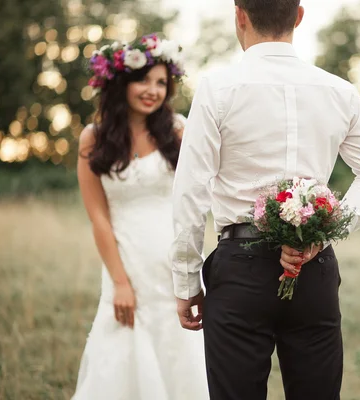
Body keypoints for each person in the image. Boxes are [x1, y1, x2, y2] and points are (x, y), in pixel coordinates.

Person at [171, 1, 360, 399]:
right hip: (314, 271)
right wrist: (320, 232)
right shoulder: (339, 91)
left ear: (239, 16)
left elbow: (190, 192)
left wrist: (187, 281)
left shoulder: (217, 88)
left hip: (239, 270)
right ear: (299, 15)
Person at [72, 33, 208, 399]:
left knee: (181, 352)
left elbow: (198, 198)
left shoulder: (177, 131)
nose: (153, 90)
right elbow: (98, 217)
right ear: (121, 83)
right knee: (122, 349)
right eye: (143, 80)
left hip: (173, 261)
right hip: (126, 263)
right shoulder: (92, 139)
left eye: (162, 82)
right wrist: (119, 282)